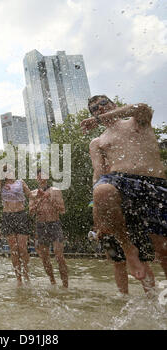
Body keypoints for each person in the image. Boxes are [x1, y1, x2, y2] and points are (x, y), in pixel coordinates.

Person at [81, 95, 167, 284]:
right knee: (102, 191)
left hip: (154, 184)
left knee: (162, 249)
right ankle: (129, 249)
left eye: (103, 104)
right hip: (120, 184)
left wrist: (97, 120)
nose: (99, 109)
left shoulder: (137, 121)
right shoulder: (98, 142)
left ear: (114, 105)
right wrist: (96, 209)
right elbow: (98, 174)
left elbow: (142, 106)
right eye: (94, 109)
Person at [87, 202, 155, 295]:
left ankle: (151, 295)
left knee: (141, 261)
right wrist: (99, 227)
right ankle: (124, 296)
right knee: (119, 263)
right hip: (110, 229)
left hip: (130, 225)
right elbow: (98, 206)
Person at [29, 170, 68, 288]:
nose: (41, 178)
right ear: (36, 178)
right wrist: (40, 199)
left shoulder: (56, 191)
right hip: (41, 225)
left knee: (59, 255)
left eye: (43, 176)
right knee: (45, 258)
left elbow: (62, 210)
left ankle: (66, 286)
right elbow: (30, 212)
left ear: (47, 177)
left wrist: (49, 199)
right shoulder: (33, 193)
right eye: (39, 176)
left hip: (54, 223)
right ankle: (53, 282)